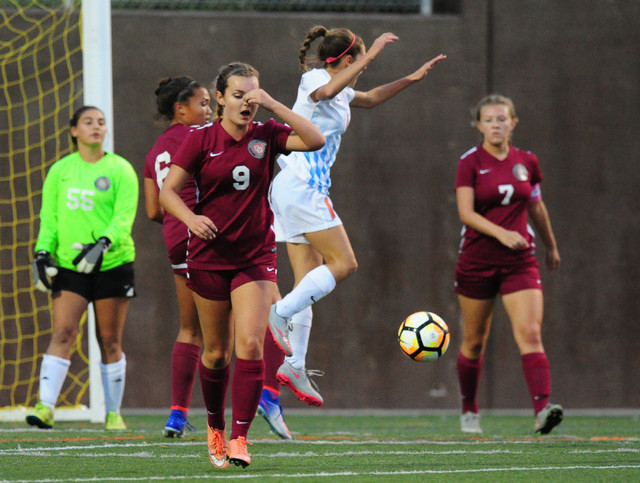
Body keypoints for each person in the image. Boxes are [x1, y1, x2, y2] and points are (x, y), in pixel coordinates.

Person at [268, 26, 446, 406]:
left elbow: (367, 98)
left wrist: (411, 79)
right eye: (359, 61)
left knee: (306, 285)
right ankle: (278, 313)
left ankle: (294, 364)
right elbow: (329, 91)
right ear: (347, 60)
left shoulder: (343, 86)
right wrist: (375, 52)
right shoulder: (315, 78)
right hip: (302, 184)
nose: (363, 69)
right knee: (345, 263)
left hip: (294, 188)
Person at [158, 62, 324, 468]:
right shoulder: (200, 139)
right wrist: (191, 218)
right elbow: (168, 192)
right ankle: (215, 428)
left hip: (255, 258)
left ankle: (239, 438)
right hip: (209, 258)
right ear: (219, 98)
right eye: (239, 96)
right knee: (216, 353)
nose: (247, 104)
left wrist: (272, 104)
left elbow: (315, 138)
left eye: (253, 96)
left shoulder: (267, 135)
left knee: (249, 344)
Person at [144, 76, 292, 441]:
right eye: (204, 103)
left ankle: (179, 413)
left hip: (178, 239)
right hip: (210, 238)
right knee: (265, 322)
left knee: (195, 333)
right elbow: (180, 191)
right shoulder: (201, 137)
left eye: (211, 103)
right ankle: (270, 394)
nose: (208, 110)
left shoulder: (155, 150)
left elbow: (152, 209)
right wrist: (197, 216)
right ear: (181, 109)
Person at [453, 94, 563, 435]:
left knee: (530, 333)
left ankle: (542, 410)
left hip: (520, 260)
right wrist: (501, 233)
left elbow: (537, 207)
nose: (496, 125)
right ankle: (469, 408)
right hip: (477, 260)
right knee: (473, 341)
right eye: (489, 120)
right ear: (479, 126)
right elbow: (466, 213)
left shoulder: (527, 161)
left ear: (513, 123)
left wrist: (551, 246)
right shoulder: (470, 162)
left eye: (502, 119)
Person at [27, 106, 138, 431]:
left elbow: (123, 216)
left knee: (109, 340)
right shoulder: (61, 171)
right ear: (74, 130)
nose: (96, 127)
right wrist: (42, 251)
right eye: (88, 122)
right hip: (69, 265)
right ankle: (45, 408)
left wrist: (103, 243)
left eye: (101, 123)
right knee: (63, 331)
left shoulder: (120, 170)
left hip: (112, 263)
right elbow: (50, 218)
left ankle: (113, 413)